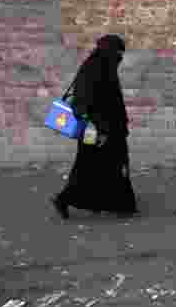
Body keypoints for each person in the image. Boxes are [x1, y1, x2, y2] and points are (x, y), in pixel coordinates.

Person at [52, 33, 138, 219]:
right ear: (109, 51)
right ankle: (65, 199)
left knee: (104, 166)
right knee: (91, 167)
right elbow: (84, 102)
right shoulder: (95, 69)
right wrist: (100, 128)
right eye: (118, 53)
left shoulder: (101, 66)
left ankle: (118, 205)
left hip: (109, 129)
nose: (120, 58)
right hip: (98, 130)